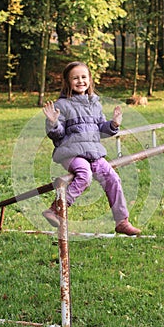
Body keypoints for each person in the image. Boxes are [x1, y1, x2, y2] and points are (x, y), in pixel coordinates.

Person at [42, 61, 141, 236]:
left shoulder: (95, 103)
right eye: (75, 78)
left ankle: (122, 221)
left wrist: (113, 124)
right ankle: (56, 209)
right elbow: (57, 135)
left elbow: (101, 129)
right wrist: (53, 123)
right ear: (67, 82)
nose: (80, 81)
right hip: (71, 152)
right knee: (84, 174)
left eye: (83, 77)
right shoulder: (62, 106)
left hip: (93, 152)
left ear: (90, 80)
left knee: (113, 178)